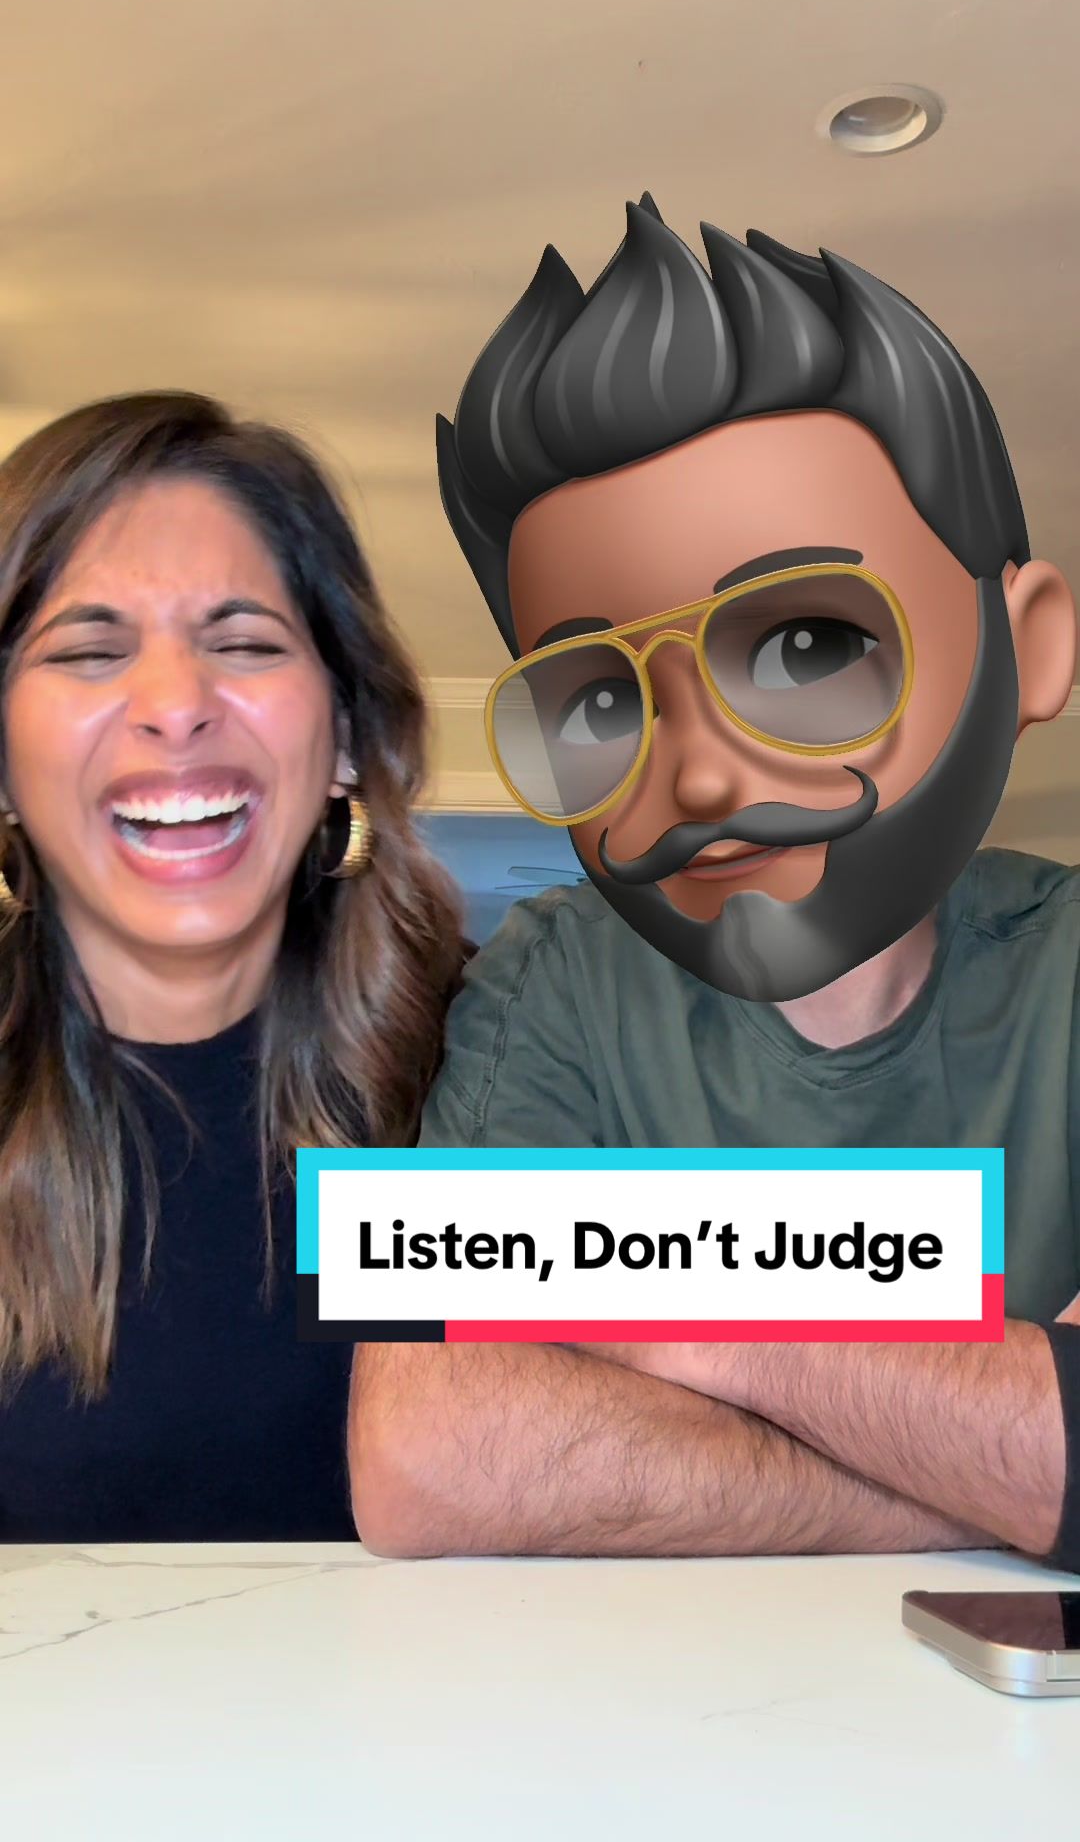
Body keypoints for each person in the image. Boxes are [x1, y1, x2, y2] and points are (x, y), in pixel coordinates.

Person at [348, 197, 1080, 1571]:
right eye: (598, 703)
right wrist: (998, 1480)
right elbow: (427, 1453)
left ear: (1031, 646)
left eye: (807, 647)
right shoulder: (556, 977)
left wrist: (675, 1308)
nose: (687, 774)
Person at [0, 390, 463, 1542]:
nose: (176, 707)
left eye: (245, 643)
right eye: (89, 651)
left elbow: (857, 1284)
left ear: (346, 734)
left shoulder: (503, 1060)